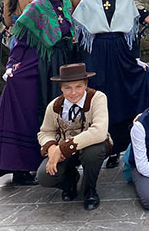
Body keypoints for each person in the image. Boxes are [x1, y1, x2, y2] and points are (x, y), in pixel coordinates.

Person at [0, 0, 78, 184]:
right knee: (31, 110)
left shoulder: (66, 4)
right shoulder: (37, 5)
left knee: (57, 113)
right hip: (38, 64)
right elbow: (21, 36)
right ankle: (20, 167)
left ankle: (58, 160)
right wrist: (12, 64)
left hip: (60, 64)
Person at [74, 0, 149, 170]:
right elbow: (83, 37)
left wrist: (136, 59)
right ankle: (96, 145)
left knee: (121, 96)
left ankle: (117, 148)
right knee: (99, 97)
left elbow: (132, 34)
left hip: (120, 52)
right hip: (97, 53)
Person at [36, 64, 110, 211]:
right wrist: (51, 148)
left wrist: (63, 148)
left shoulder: (98, 98)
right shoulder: (54, 106)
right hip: (64, 152)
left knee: (93, 152)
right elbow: (45, 132)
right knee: (44, 176)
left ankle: (89, 190)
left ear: (86, 85)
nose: (73, 92)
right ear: (61, 88)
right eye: (67, 88)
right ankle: (70, 181)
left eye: (78, 87)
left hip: (91, 146)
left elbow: (99, 131)